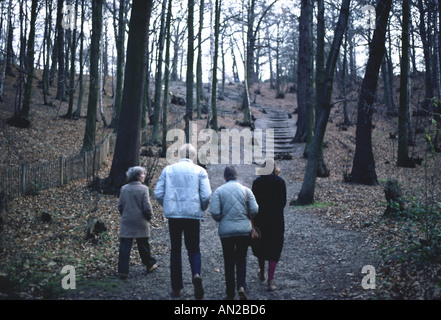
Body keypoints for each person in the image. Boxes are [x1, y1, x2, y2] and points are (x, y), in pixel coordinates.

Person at [154, 144, 212, 299]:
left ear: (179, 155)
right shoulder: (200, 171)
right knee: (194, 248)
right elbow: (206, 196)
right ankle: (196, 274)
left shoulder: (168, 170)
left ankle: (177, 288)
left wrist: (168, 205)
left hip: (174, 217)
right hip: (192, 216)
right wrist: (201, 208)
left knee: (175, 250)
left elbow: (158, 193)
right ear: (193, 156)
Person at [209, 166, 259, 300]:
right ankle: (241, 286)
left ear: (225, 177)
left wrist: (221, 219)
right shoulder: (246, 191)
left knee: (228, 261)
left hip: (226, 233)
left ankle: (230, 293)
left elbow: (214, 211)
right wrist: (247, 218)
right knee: (241, 259)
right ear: (237, 176)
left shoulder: (219, 191)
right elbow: (254, 209)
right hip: (244, 231)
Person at [251, 159, 286, 291]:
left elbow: (253, 202)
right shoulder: (281, 182)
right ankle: (270, 281)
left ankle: (262, 272)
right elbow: (283, 202)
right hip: (276, 220)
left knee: (260, 245)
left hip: (260, 219)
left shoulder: (257, 182)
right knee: (274, 249)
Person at [117, 166, 157, 279]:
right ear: (138, 176)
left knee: (125, 246)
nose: (144, 176)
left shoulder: (124, 188)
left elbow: (120, 205)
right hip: (141, 221)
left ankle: (123, 271)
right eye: (143, 174)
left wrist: (125, 215)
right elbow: (147, 207)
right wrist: (149, 217)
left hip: (127, 221)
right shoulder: (144, 189)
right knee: (143, 245)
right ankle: (149, 265)